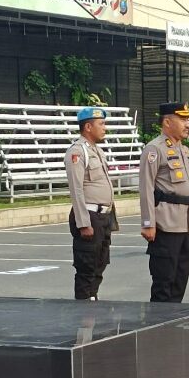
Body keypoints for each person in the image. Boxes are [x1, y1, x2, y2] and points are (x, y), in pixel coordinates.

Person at [139, 102, 189, 303]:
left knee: (181, 277)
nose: (187, 123)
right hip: (165, 224)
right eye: (182, 119)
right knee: (164, 280)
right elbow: (146, 188)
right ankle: (158, 328)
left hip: (183, 223)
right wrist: (148, 223)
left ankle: (172, 324)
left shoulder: (183, 149)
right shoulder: (155, 149)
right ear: (167, 122)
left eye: (188, 119)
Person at [64, 107, 115, 301]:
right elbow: (76, 191)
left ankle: (92, 305)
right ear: (87, 126)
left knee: (99, 265)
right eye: (101, 124)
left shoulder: (97, 151)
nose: (104, 128)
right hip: (89, 216)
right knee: (86, 268)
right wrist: (83, 222)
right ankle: (84, 317)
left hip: (102, 217)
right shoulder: (77, 152)